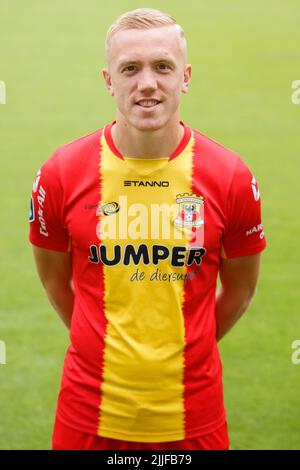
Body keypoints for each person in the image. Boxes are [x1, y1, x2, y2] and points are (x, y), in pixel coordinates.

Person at [28, 8, 266, 451]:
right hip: (88, 415)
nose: (148, 83)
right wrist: (96, 339)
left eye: (162, 67)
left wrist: (186, 348)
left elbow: (241, 291)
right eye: (130, 69)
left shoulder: (231, 177)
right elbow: (54, 281)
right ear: (108, 80)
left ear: (186, 76)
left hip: (194, 416)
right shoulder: (59, 173)